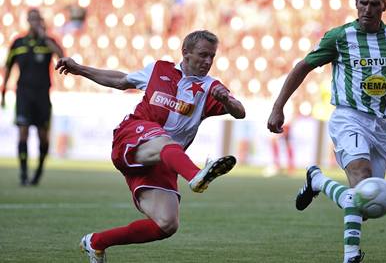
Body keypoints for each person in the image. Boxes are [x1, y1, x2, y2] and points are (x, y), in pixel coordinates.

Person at [55, 30, 246, 263]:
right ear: (185, 53)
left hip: (162, 160)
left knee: (167, 224)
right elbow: (120, 80)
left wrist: (226, 100)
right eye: (203, 55)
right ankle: (196, 175)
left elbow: (240, 111)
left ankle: (95, 242)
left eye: (212, 57)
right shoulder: (159, 70)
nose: (207, 61)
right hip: (133, 136)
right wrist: (79, 69)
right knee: (165, 139)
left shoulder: (210, 88)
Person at [267, 0, 386, 263]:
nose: (368, 9)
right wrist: (278, 107)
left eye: (375, 4)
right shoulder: (340, 37)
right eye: (363, 2)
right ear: (355, 3)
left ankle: (318, 181)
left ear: (385, 6)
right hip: (348, 117)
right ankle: (351, 255)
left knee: (367, 204)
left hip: (381, 126)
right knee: (361, 179)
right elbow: (303, 66)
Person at [1, 8, 64, 186]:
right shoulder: (18, 43)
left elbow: (61, 56)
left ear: (41, 21)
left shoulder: (48, 42)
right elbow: (8, 67)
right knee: (23, 132)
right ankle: (23, 174)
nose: (35, 22)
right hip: (23, 94)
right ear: (27, 21)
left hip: (43, 95)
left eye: (37, 19)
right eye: (32, 19)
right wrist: (4, 92)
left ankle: (38, 172)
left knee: (43, 136)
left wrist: (43, 35)